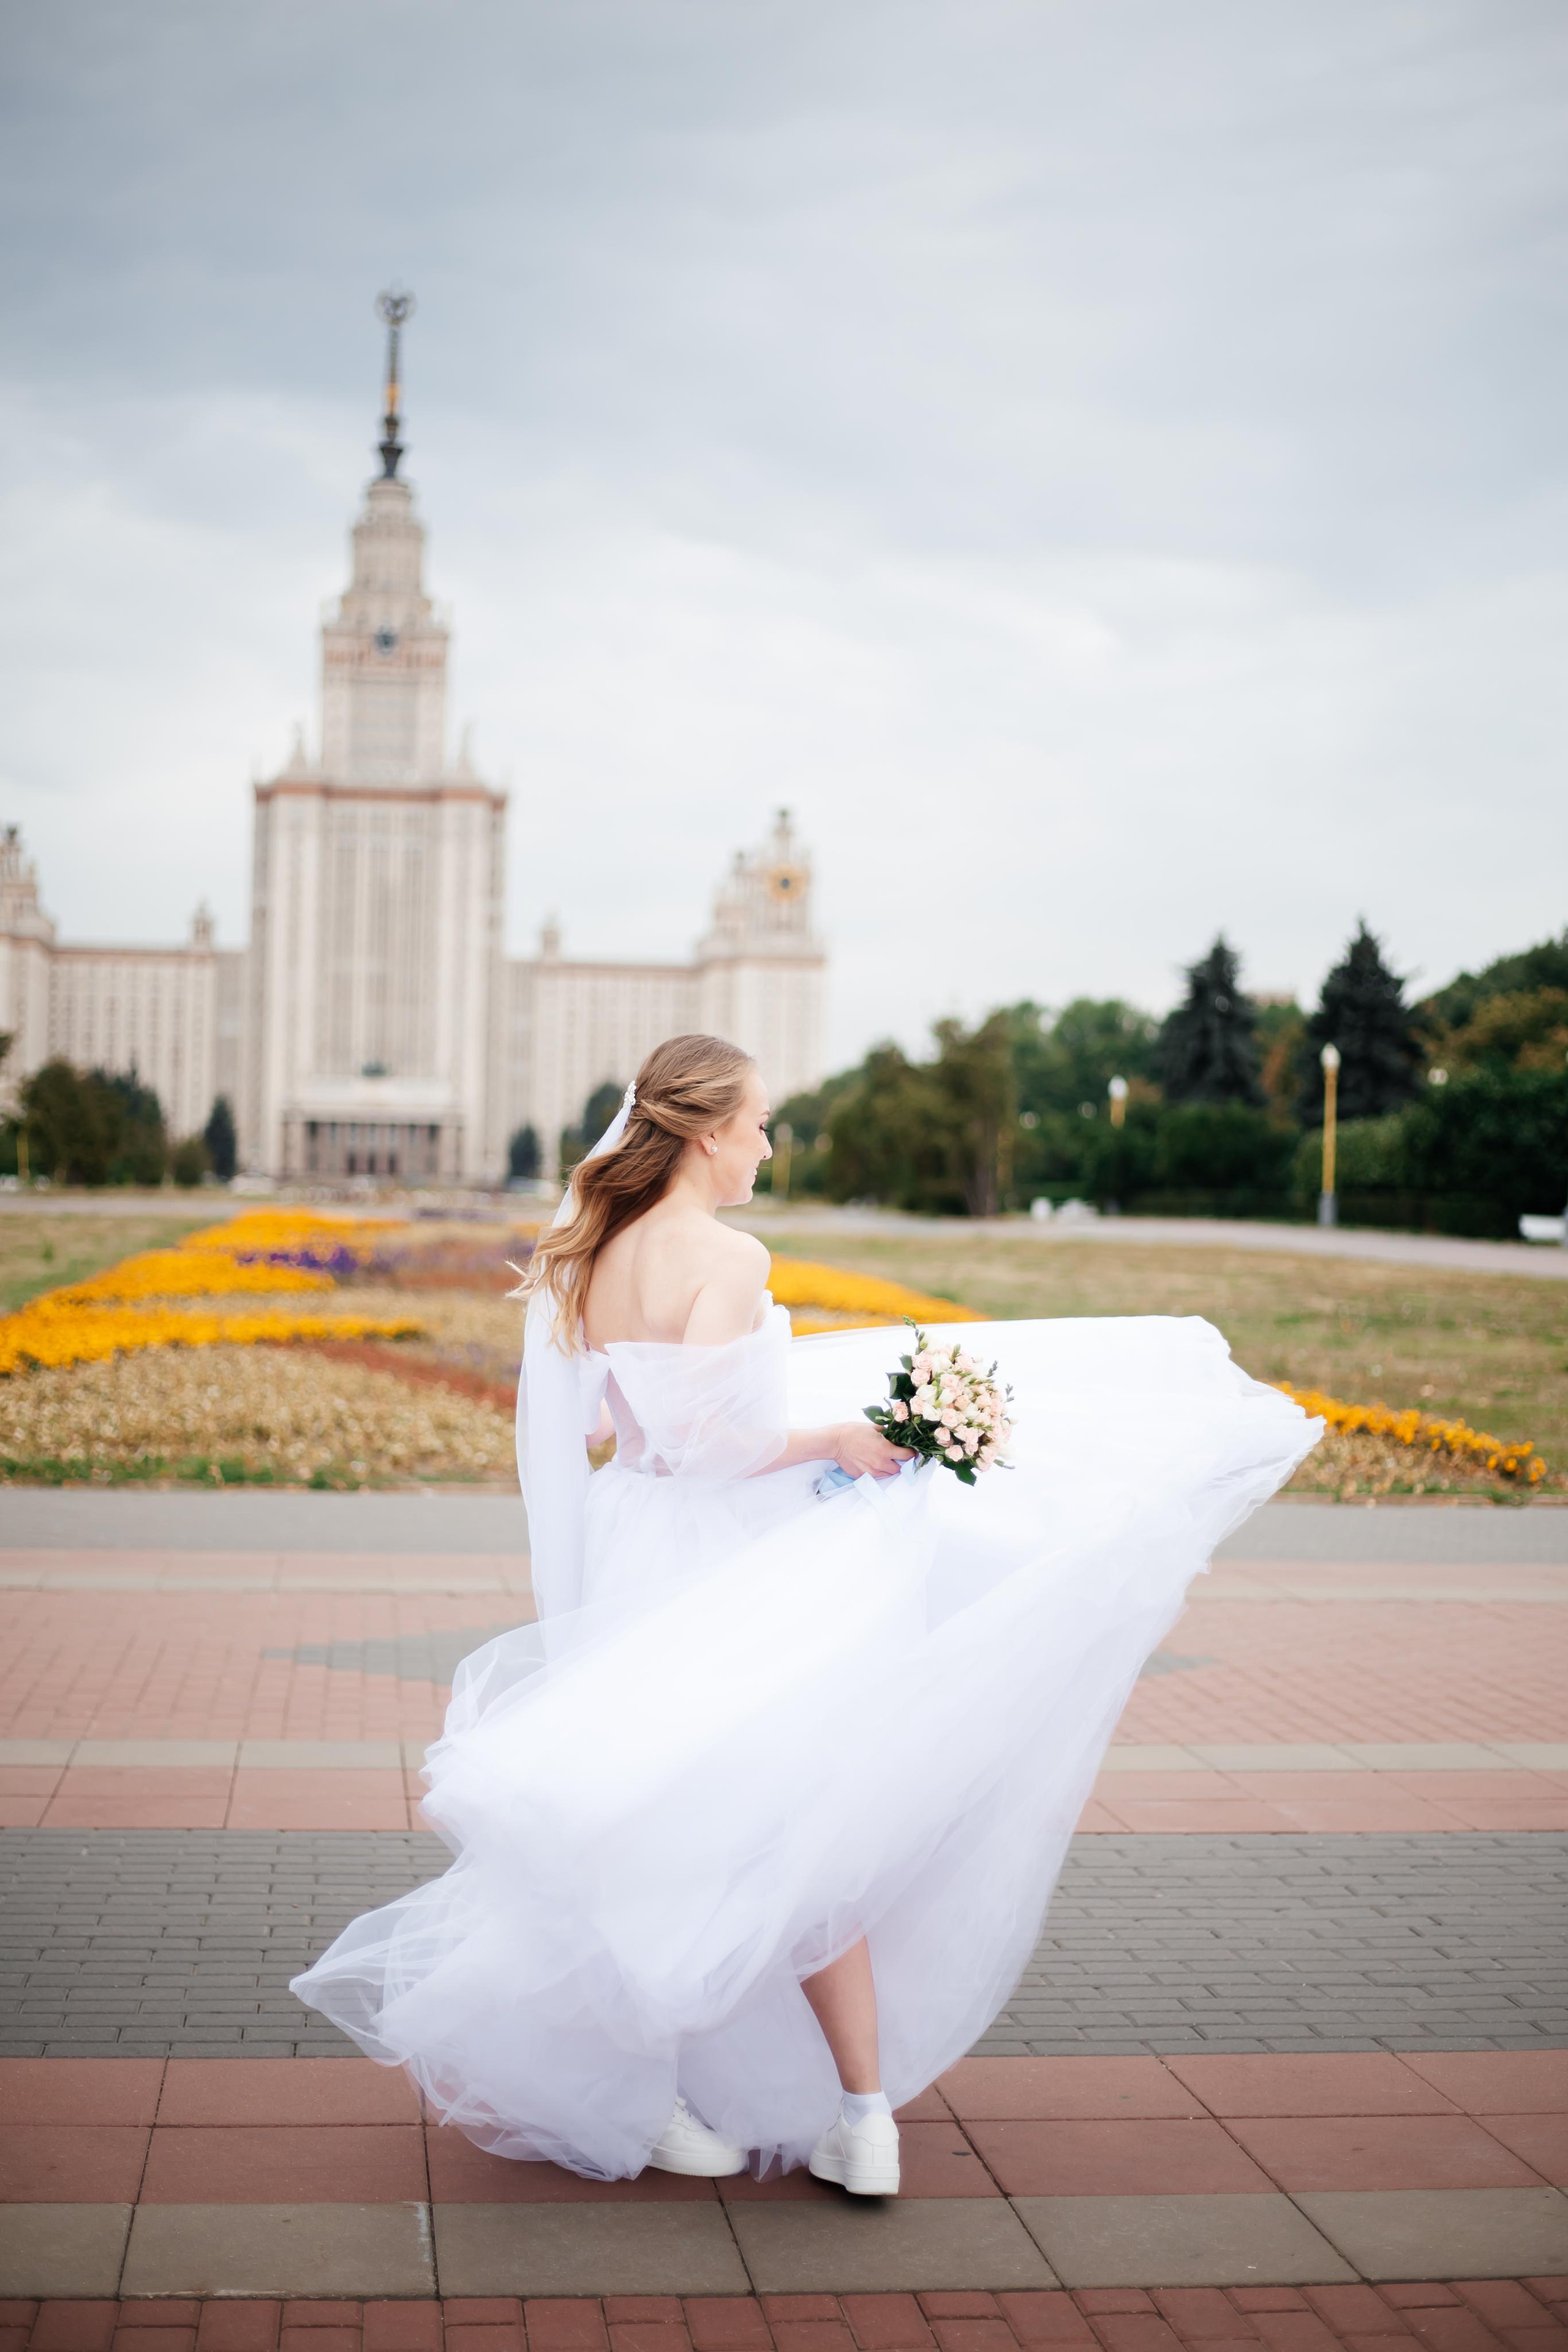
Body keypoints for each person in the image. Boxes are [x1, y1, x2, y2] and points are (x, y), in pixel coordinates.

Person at [293, 1032, 1317, 2195]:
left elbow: (610, 1433)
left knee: (661, 1816)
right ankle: (862, 2117)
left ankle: (667, 2095)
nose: (770, 1145)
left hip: (635, 1533)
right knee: (794, 1820)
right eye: (761, 1124)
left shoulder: (592, 1252)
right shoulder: (726, 1256)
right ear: (704, 1130)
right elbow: (717, 1443)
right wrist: (835, 1438)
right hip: (714, 1551)